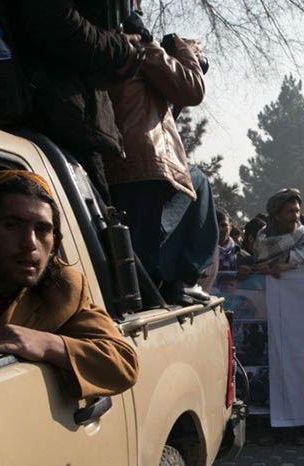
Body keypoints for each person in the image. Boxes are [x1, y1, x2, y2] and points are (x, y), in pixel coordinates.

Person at [0, 170, 138, 398]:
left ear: (55, 242)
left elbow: (122, 364)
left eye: (42, 229)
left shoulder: (62, 291)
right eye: (13, 225)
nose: (29, 243)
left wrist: (48, 344)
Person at [103, 27, 213, 305]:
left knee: (139, 249)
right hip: (144, 162)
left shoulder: (106, 47)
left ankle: (166, 285)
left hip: (120, 162)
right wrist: (185, 49)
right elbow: (191, 89)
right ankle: (183, 280)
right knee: (196, 183)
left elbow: (164, 107)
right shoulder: (138, 45)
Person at [12, 0, 146, 202]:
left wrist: (125, 53)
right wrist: (121, 49)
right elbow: (56, 21)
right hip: (49, 118)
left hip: (68, 119)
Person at [254, 188, 304, 277]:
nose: (295, 216)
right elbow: (256, 265)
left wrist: (291, 266)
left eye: (297, 211)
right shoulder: (262, 239)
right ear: (277, 216)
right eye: (290, 212)